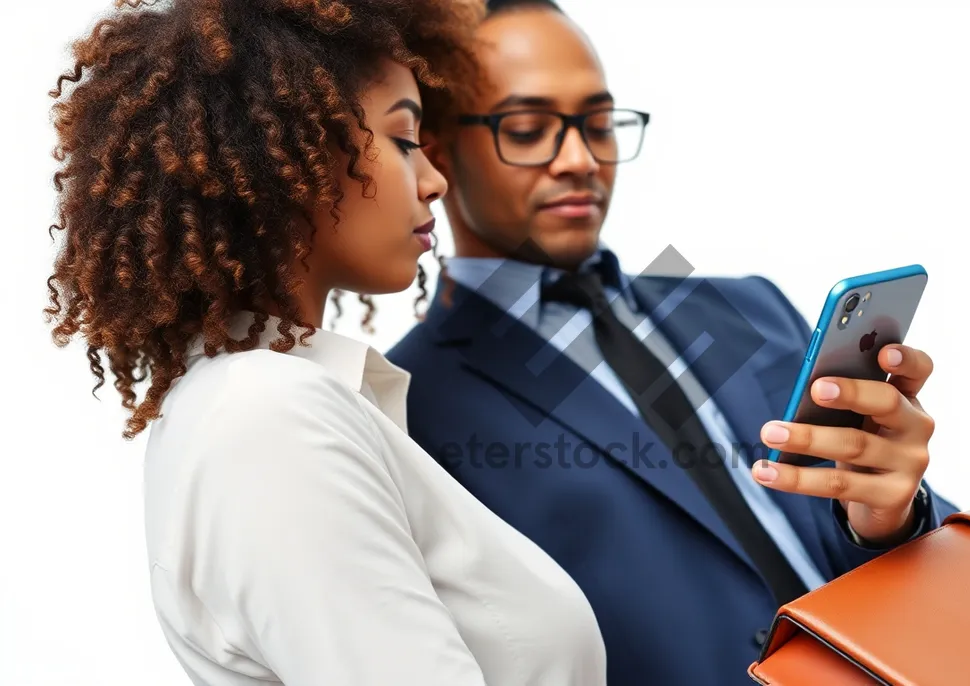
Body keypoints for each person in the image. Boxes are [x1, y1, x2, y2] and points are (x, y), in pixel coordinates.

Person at [386, 0, 960, 684]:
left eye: (598, 123)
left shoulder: (748, 305)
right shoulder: (409, 405)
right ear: (439, 148)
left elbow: (905, 548)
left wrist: (891, 517)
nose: (579, 159)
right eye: (529, 128)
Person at [43, 1, 607, 684]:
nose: (434, 181)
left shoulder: (283, 402)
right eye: (403, 140)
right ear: (291, 149)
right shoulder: (267, 420)